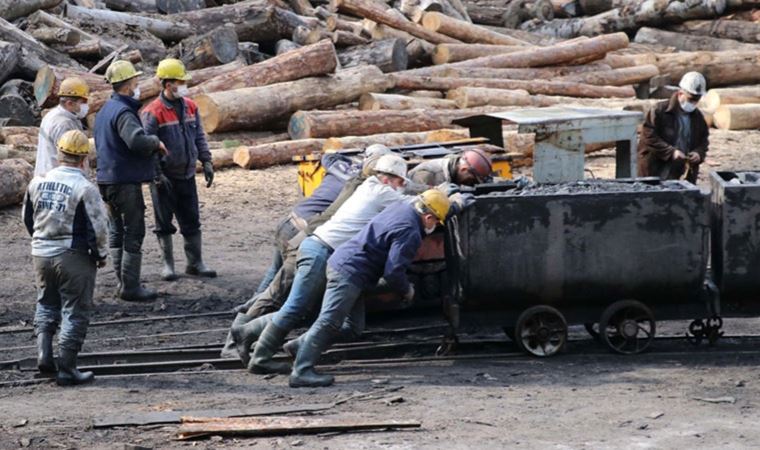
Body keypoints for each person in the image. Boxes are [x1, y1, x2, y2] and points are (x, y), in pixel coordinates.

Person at [232, 154, 411, 370]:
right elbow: (412, 206)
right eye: (400, 182)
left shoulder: (368, 185)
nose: (401, 187)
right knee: (296, 308)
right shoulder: (382, 192)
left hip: (331, 255)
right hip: (321, 251)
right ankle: (258, 355)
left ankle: (285, 342)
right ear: (388, 179)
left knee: (351, 325)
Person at [288, 189, 451, 387]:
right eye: (436, 222)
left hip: (350, 268)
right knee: (329, 321)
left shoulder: (402, 208)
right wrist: (407, 290)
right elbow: (393, 272)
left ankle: (299, 346)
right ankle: (301, 371)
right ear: (428, 217)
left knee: (353, 328)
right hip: (349, 272)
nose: (434, 226)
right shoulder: (410, 231)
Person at [219, 149, 364, 359]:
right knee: (277, 294)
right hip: (304, 234)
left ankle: (240, 330)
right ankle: (233, 343)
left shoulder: (341, 168)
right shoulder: (365, 188)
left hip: (289, 222)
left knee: (269, 284)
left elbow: (328, 156)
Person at [23, 130, 109, 386]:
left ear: (59, 154)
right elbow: (99, 227)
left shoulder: (37, 182)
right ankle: (68, 369)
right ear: (84, 159)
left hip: (41, 252)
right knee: (75, 310)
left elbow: (28, 218)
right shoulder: (85, 187)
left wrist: (40, 240)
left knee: (46, 303)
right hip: (73, 256)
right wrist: (101, 254)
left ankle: (44, 354)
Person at [95, 60, 168, 302]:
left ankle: (122, 282)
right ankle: (130, 286)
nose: (138, 86)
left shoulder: (106, 110)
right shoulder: (124, 112)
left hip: (106, 179)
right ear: (127, 85)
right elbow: (135, 141)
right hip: (124, 181)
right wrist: (155, 142)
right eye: (135, 82)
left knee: (116, 230)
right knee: (133, 231)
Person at [141, 59, 215, 281]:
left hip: (187, 174)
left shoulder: (190, 106)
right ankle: (168, 265)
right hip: (164, 177)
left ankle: (195, 263)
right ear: (167, 83)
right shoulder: (152, 112)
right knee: (164, 223)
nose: (184, 85)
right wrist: (156, 175)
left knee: (192, 220)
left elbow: (199, 136)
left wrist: (207, 160)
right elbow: (148, 146)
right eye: (180, 81)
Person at [638, 71, 709, 184]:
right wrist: (670, 152)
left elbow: (703, 140)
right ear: (680, 94)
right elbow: (649, 137)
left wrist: (698, 153)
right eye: (691, 99)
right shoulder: (659, 111)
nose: (693, 104)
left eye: (696, 100)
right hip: (655, 169)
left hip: (680, 172)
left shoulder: (698, 118)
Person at [35, 77, 90, 177]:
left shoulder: (52, 115)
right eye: (83, 102)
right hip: (59, 179)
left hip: (46, 175)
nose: (86, 106)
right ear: (69, 104)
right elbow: (70, 158)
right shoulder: (64, 124)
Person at [407, 148, 493, 191]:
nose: (471, 184)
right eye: (472, 180)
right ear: (463, 169)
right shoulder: (427, 175)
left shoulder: (454, 170)